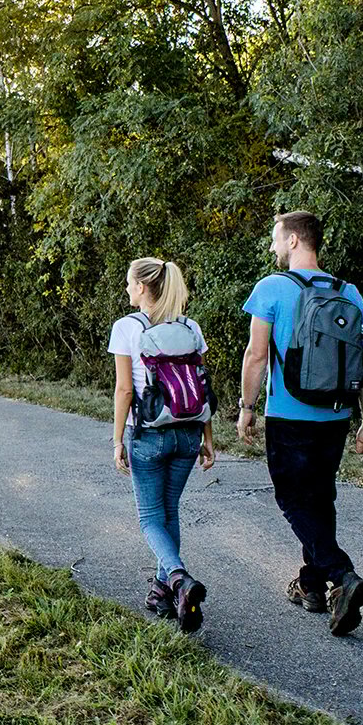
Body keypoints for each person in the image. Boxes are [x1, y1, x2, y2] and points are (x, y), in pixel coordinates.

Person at [237, 210, 363, 636]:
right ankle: (312, 585)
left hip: (289, 414)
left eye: (276, 238)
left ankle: (342, 575)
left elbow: (256, 355)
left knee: (293, 500)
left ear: (294, 240)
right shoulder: (348, 292)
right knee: (319, 498)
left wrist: (247, 406)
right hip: (335, 415)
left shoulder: (272, 288)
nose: (272, 246)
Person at [110, 256, 216, 633]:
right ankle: (164, 592)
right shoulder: (190, 327)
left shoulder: (127, 327)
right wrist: (207, 438)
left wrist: (117, 439)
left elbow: (125, 390)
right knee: (170, 512)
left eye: (129, 282)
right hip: (188, 433)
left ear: (142, 287)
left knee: (150, 518)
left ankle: (178, 579)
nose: (127, 288)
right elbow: (201, 385)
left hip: (148, 434)